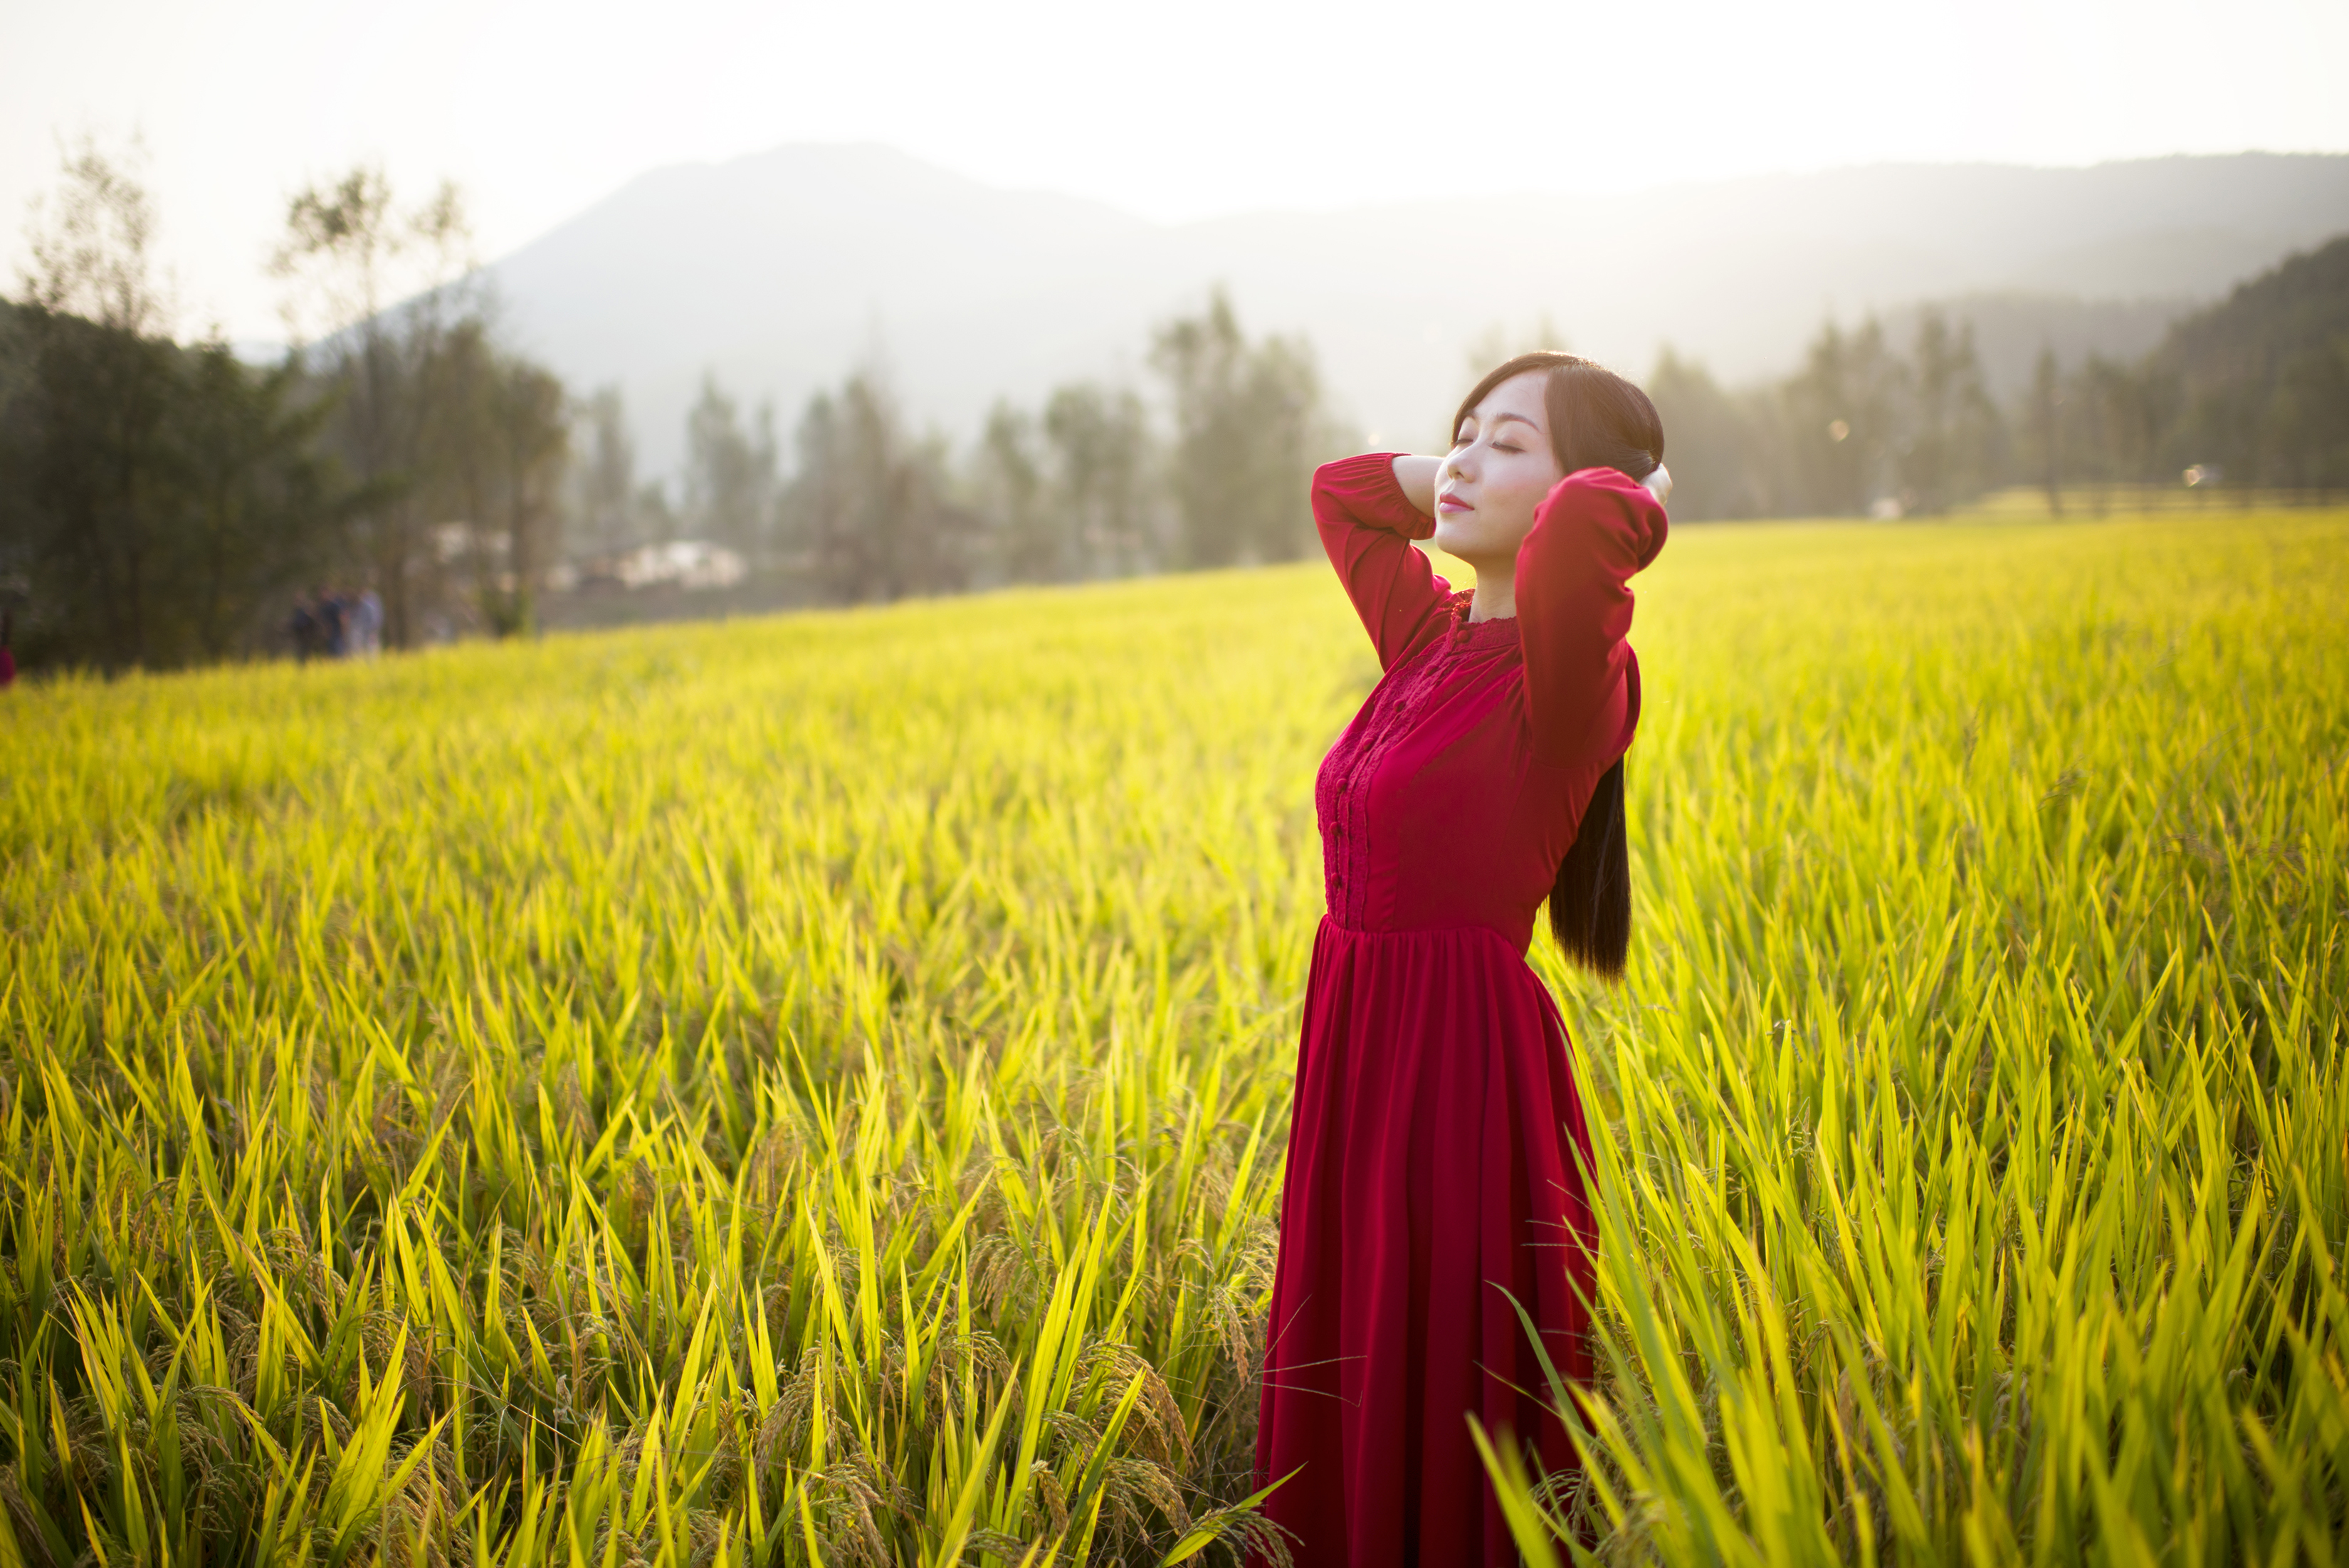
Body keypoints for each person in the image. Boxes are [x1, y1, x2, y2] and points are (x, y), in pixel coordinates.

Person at [1254, 352, 1671, 1566]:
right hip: (1358, 1052)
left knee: (1440, 1378)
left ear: (1574, 487)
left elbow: (1596, 523)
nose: (1468, 461)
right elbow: (1340, 494)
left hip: (1456, 1076)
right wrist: (1466, 474)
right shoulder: (1427, 642)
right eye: (1462, 435)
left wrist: (1638, 492)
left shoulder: (1573, 686)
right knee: (1357, 1348)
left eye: (1510, 443)